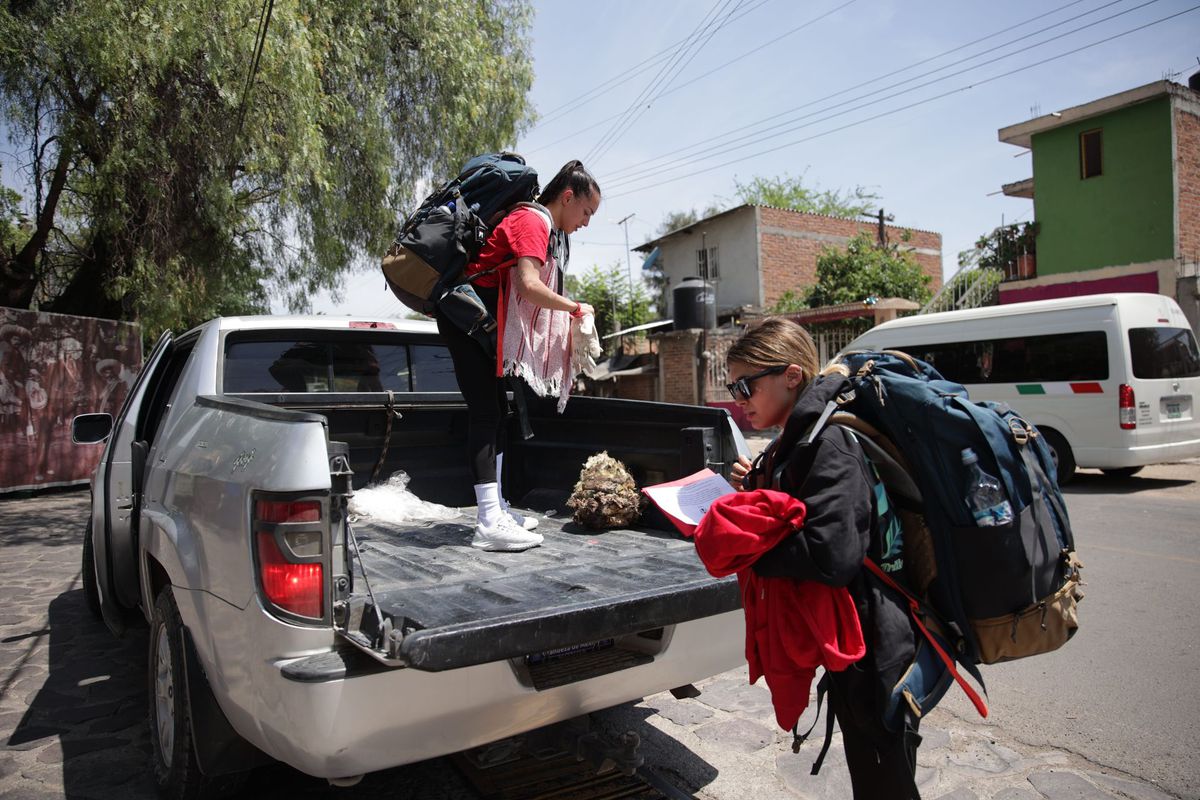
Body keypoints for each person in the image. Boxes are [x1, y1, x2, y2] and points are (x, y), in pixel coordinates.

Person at [725, 317, 924, 799]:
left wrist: (750, 550)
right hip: (853, 638)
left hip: (873, 646)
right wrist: (755, 486)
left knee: (885, 782)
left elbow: (833, 554)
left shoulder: (827, 442)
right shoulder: (799, 439)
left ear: (792, 376)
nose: (739, 399)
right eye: (732, 386)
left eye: (746, 384)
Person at [438, 160, 599, 552]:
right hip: (465, 318)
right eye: (586, 212)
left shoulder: (536, 221)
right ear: (567, 197)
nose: (586, 222)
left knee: (498, 413)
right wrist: (576, 307)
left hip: (478, 322)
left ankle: (497, 510)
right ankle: (487, 521)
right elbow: (528, 286)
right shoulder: (533, 221)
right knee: (486, 413)